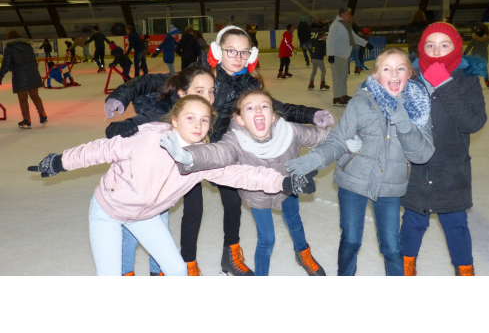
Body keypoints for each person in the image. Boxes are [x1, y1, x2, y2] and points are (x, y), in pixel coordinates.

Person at [104, 26, 334, 276]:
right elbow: (150, 81)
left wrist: (311, 114)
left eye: (244, 52)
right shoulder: (201, 75)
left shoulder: (248, 85)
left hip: (221, 151)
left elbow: (277, 107)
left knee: (233, 202)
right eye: (231, 51)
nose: (238, 57)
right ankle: (189, 263)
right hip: (187, 147)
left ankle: (230, 256)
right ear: (217, 51)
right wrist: (120, 98)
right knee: (193, 208)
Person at [29, 95, 310, 276]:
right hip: (109, 211)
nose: (198, 124)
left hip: (146, 217)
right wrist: (60, 162)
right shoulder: (148, 138)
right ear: (174, 120)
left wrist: (283, 181)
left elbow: (240, 174)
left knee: (176, 269)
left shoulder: (201, 158)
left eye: (204, 120)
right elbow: (101, 149)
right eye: (190, 117)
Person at [286, 48, 435, 276]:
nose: (394, 74)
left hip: (390, 187)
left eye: (400, 68)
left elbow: (422, 154)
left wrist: (406, 126)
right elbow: (338, 139)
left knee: (392, 247)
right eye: (387, 69)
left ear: (409, 73)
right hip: (353, 182)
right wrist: (316, 158)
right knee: (351, 241)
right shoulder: (361, 103)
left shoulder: (418, 108)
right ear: (376, 74)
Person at [162, 88, 327, 276]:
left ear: (273, 116)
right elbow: (218, 153)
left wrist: (345, 137)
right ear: (240, 120)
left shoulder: (290, 131)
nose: (258, 110)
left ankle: (303, 253)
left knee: (295, 221)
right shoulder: (235, 140)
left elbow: (321, 137)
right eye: (250, 108)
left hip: (289, 187)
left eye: (264, 106)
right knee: (267, 239)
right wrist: (189, 156)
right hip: (257, 194)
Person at [400, 22, 487, 277]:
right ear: (421, 48)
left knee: (455, 223)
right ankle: (406, 266)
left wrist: (445, 84)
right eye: (430, 45)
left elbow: (473, 122)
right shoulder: (409, 78)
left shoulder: (467, 79)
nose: (436, 51)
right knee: (413, 221)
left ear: (456, 47)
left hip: (451, 168)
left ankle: (464, 269)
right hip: (416, 167)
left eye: (444, 45)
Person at [0, 30, 47, 128]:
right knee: (35, 96)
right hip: (33, 74)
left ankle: (26, 119)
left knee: (23, 99)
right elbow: (34, 61)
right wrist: (34, 72)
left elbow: (5, 65)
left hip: (20, 76)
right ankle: (42, 113)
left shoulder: (9, 48)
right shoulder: (28, 46)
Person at [327, 7, 373, 106]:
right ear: (342, 15)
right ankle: (337, 97)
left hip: (344, 56)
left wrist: (366, 43)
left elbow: (354, 37)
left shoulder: (346, 25)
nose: (350, 16)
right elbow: (330, 40)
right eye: (348, 14)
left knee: (344, 77)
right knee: (337, 77)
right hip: (336, 55)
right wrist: (330, 54)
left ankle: (343, 94)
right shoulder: (336, 25)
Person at [463, 23, 489, 89]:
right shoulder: (488, 38)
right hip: (483, 55)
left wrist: (465, 53)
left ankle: (473, 82)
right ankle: (487, 81)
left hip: (475, 55)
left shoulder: (475, 38)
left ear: (481, 30)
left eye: (478, 29)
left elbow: (469, 45)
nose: (477, 30)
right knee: (485, 68)